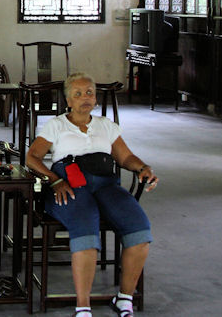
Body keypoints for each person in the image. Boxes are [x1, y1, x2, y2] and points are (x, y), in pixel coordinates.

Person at [24, 72, 158, 317]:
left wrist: (142, 167)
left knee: (139, 228)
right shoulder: (57, 125)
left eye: (89, 93)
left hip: (106, 185)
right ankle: (83, 307)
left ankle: (124, 298)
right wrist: (54, 181)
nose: (85, 97)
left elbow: (126, 157)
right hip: (70, 185)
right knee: (85, 226)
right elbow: (31, 157)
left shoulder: (106, 126)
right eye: (78, 94)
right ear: (68, 101)